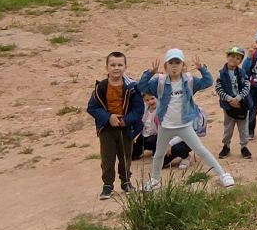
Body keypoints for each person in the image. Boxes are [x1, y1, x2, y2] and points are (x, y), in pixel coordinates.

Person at [137, 49, 234, 190]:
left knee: (201, 150)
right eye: (171, 62)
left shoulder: (189, 80)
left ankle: (223, 175)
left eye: (177, 62)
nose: (174, 66)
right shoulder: (160, 82)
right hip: (165, 126)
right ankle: (154, 180)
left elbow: (207, 82)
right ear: (166, 66)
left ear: (183, 65)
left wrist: (202, 68)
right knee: (158, 154)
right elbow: (142, 87)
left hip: (184, 125)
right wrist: (150, 73)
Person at [87, 51, 145, 199]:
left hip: (126, 127)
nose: (116, 68)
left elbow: (138, 109)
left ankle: (126, 182)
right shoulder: (101, 87)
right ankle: (107, 186)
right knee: (107, 158)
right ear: (106, 67)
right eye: (112, 65)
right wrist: (108, 117)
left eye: (120, 65)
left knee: (125, 156)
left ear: (125, 66)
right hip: (107, 128)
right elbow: (92, 107)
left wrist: (127, 120)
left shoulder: (131, 87)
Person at [215, 46, 252, 160]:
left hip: (242, 104)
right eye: (232, 56)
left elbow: (247, 86)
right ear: (227, 57)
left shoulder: (242, 72)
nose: (234, 59)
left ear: (240, 61)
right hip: (228, 105)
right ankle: (226, 146)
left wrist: (238, 98)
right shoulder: (221, 73)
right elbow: (218, 89)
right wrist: (229, 99)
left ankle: (244, 147)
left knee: (243, 128)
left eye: (238, 58)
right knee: (228, 128)